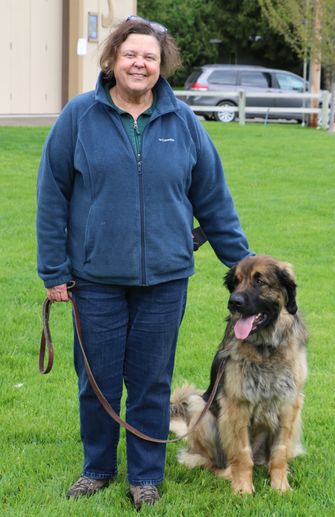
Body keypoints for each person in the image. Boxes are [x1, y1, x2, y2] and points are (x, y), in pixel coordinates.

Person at [36, 16, 253, 510]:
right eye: (130, 54)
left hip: (166, 279)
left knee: (152, 383)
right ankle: (98, 468)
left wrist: (245, 270)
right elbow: (52, 197)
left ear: (161, 66)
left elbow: (215, 202)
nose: (139, 63)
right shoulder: (78, 117)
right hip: (94, 280)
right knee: (98, 383)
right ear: (112, 60)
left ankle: (145, 477)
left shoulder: (184, 123)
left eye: (150, 57)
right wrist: (54, 271)